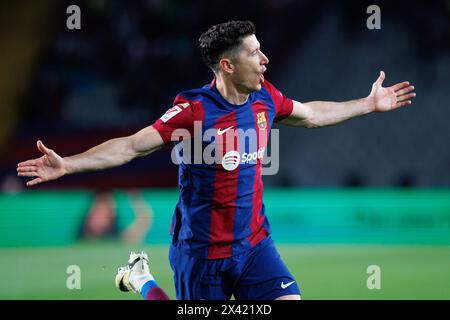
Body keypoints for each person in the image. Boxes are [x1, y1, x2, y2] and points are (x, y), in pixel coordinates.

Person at [17, 20, 416, 300]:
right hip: (202, 253)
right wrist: (68, 164)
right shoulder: (193, 110)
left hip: (256, 243)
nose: (265, 60)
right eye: (255, 54)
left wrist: (367, 104)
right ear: (227, 65)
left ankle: (140, 277)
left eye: (261, 50)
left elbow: (310, 114)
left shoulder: (265, 96)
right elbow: (133, 146)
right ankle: (141, 280)